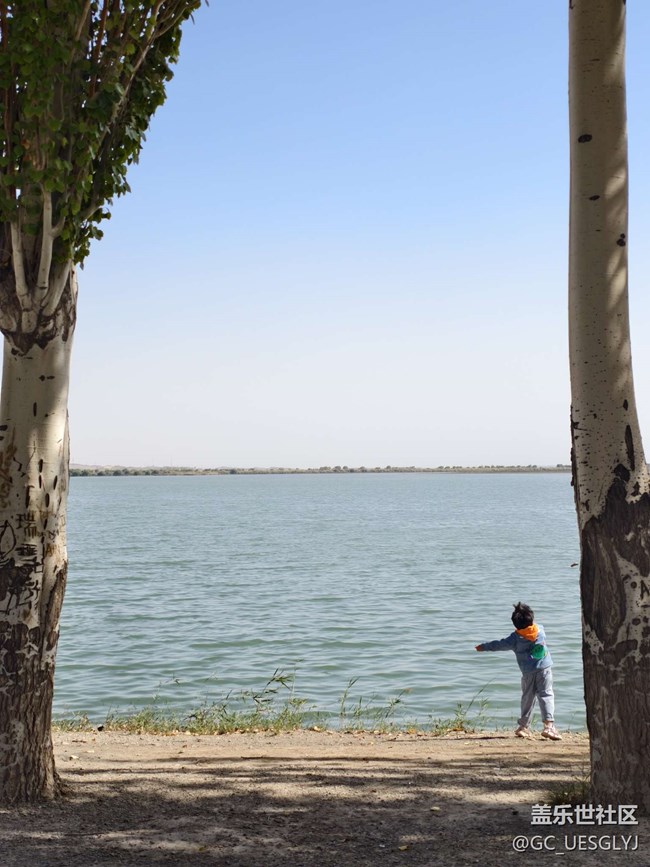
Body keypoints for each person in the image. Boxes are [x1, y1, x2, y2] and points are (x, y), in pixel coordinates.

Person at [475, 602, 561, 740]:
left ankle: (523, 727)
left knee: (527, 698)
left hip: (527, 673)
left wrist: (483, 647)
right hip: (544, 670)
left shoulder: (514, 639)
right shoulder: (540, 630)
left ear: (515, 624)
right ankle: (549, 727)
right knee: (546, 695)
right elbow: (533, 626)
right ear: (532, 618)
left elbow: (499, 645)